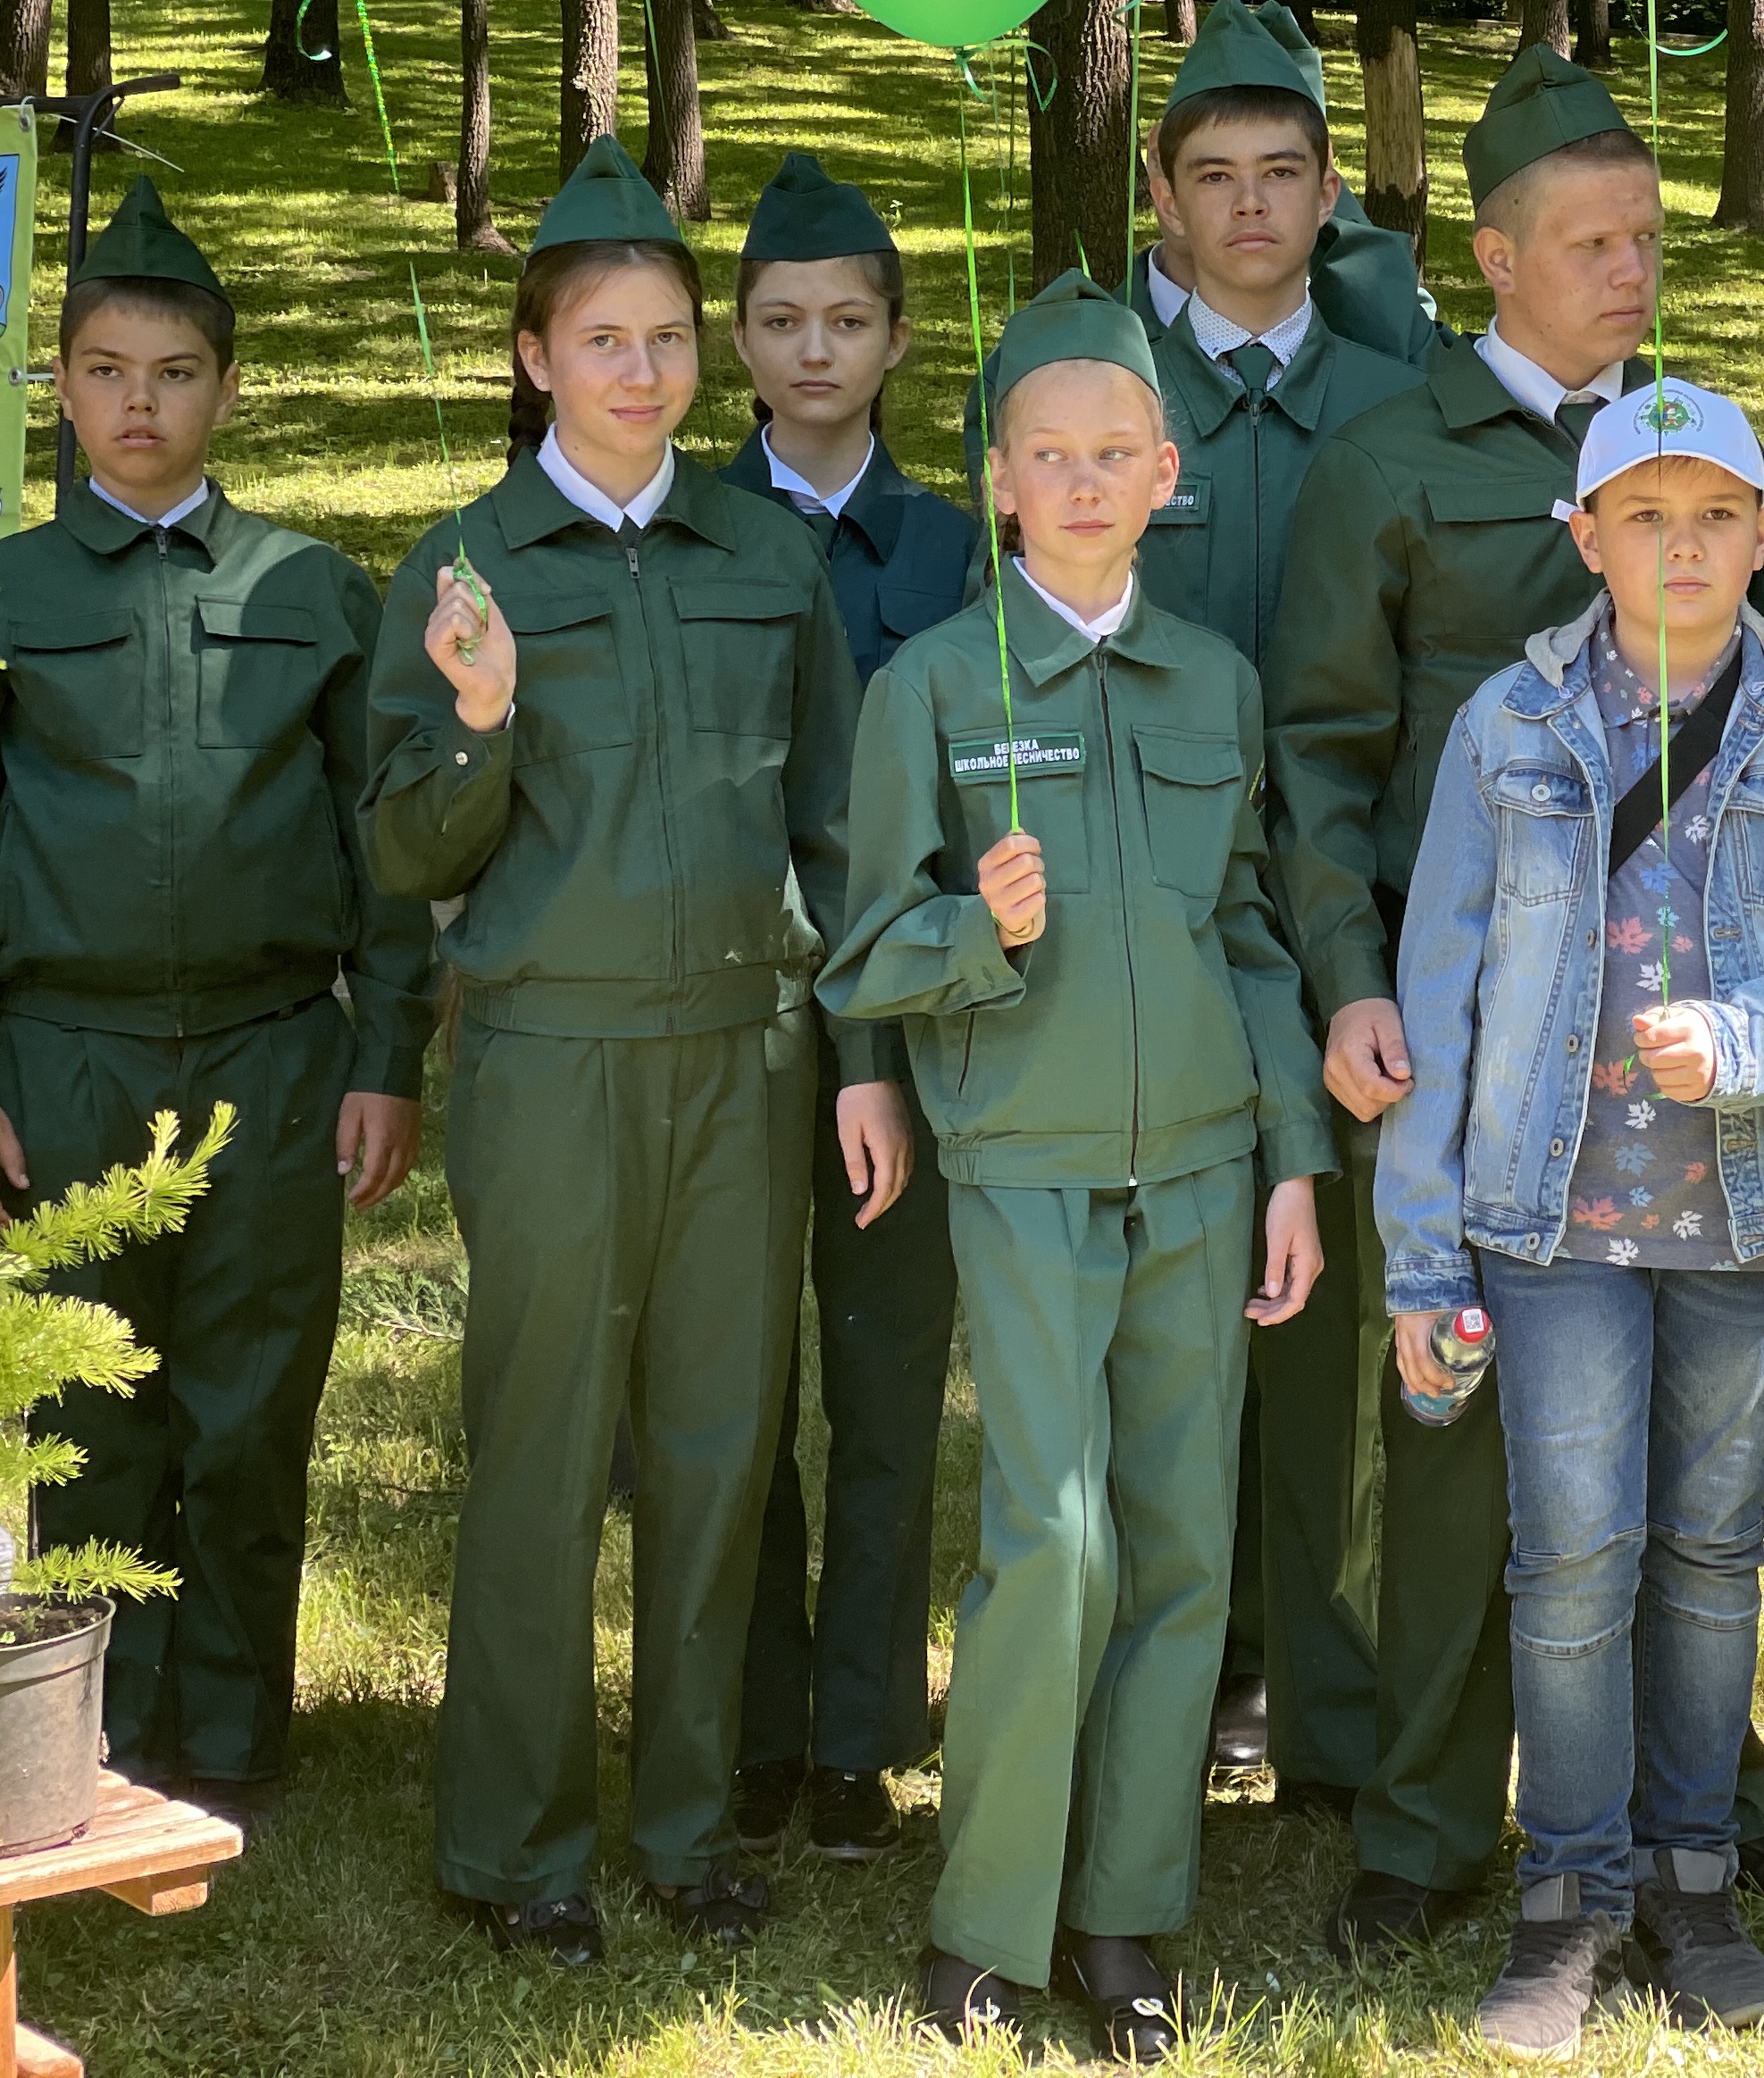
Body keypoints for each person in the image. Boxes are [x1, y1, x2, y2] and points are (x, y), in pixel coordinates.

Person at [1267, 43, 1764, 1956]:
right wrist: (1353, 983)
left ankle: (1708, 1809)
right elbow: (1326, 752)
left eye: (1646, 239)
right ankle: (1430, 1823)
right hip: (1480, 1028)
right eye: (1591, 242)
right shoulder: (1388, 459)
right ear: (1497, 260)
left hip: (1685, 1028)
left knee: (1693, 1459)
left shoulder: (1703, 446)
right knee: (1460, 1425)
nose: (1631, 273)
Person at [364, 137, 914, 1965]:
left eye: (669, 337)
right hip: (549, 1065)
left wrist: (855, 1056)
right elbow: (405, 851)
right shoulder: (466, 566)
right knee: (536, 1450)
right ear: (534, 358)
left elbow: (834, 828)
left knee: (716, 1446)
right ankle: (516, 1840)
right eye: (601, 338)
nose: (641, 371)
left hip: (745, 1063)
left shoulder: (765, 550)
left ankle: (685, 1826)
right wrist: (480, 719)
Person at [1382, 380, 1764, 2051]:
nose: (1679, 546)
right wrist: (1424, 1245)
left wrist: (1753, 1043)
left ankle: (1694, 1872)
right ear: (1584, 536)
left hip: (1742, 1212)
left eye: (1714, 517)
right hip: (1546, 1218)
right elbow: (1443, 986)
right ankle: (1569, 1897)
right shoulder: (1510, 726)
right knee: (1568, 1558)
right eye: (1643, 515)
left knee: (1706, 1555)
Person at [822, 271, 1328, 2054]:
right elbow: (857, 950)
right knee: (1052, 1537)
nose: (1091, 480)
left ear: (1169, 470)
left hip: (1199, 1167)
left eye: (1120, 450)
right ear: (1004, 484)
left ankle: (1126, 1918)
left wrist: (1289, 1159)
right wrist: (976, 926)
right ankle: (984, 1919)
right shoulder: (938, 686)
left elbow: (1256, 938)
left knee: (1185, 1548)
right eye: (1054, 454)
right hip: (1023, 1167)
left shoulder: (1217, 682)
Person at [0, 175, 433, 1831]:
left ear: (228, 389)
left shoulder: (318, 592)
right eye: (110, 370)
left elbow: (390, 853)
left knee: (253, 1409)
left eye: (177, 371)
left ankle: (234, 1739)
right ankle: (106, 1738)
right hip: (65, 1057)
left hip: (277, 1059)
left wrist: (388, 1053)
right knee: (92, 1409)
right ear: (61, 387)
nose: (143, 404)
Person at [1119, 0, 1429, 1789]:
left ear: (1329, 195)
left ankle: (1313, 1683)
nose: (1248, 207)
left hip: (1334, 909)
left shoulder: (1396, 404)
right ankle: (1172, 1661)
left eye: (1283, 174)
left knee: (1316, 1316)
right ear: (1160, 190)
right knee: (1161, 1299)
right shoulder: (1087, 388)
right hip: (1134, 916)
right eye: (1213, 175)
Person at [718, 151, 981, 1865]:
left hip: (915, 1021)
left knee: (887, 1382)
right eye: (780, 321)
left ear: (894, 342)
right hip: (734, 1023)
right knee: (735, 1385)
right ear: (737, 340)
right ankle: (749, 1726)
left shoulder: (960, 545)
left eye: (848, 322)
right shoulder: (687, 529)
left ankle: (864, 1740)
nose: (815, 351)